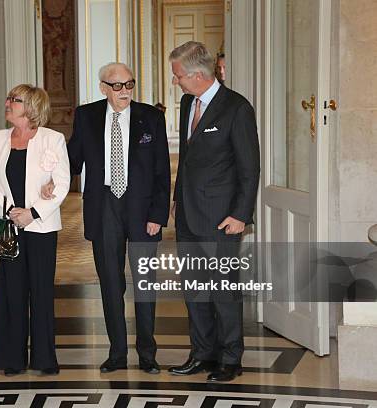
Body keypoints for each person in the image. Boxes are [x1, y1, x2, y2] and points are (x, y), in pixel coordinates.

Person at [66, 63, 171, 374]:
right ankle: (117, 353)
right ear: (103, 87)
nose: (124, 91)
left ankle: (148, 354)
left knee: (145, 283)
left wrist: (158, 215)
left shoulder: (151, 117)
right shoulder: (86, 116)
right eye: (117, 86)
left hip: (142, 211)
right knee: (110, 283)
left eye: (129, 84)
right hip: (104, 207)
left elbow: (162, 171)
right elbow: (72, 160)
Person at [168, 41, 259, 382]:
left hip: (222, 217)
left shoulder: (236, 108)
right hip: (189, 215)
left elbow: (250, 168)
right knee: (194, 289)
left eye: (178, 75)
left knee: (223, 289)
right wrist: (177, 200)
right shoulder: (186, 102)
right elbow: (188, 162)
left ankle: (231, 358)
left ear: (196, 74)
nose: (175, 81)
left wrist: (240, 215)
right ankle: (202, 353)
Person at [0, 84, 70, 376]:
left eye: (14, 100)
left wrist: (32, 213)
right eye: (8, 98)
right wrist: (11, 213)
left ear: (31, 107)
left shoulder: (52, 140)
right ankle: (12, 358)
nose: (7, 103)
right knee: (11, 291)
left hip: (41, 226)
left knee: (42, 291)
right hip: (9, 226)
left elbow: (62, 183)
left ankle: (44, 359)